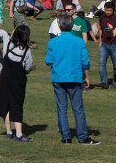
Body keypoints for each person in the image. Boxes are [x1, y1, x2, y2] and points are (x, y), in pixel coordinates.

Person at [45, 14, 98, 145]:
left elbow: (48, 61)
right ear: (72, 25)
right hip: (74, 77)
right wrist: (87, 76)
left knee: (62, 108)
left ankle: (66, 137)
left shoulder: (53, 42)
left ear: (60, 26)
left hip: (58, 77)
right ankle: (83, 137)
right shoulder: (79, 42)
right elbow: (85, 61)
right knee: (78, 108)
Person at [0, 24, 34, 142]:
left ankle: (9, 131)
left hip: (5, 79)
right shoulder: (27, 51)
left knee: (6, 104)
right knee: (17, 105)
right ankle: (19, 134)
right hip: (18, 82)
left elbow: (4, 34)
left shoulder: (8, 43)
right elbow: (28, 67)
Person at [97, 1, 116, 88]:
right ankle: (104, 82)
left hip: (115, 44)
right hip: (104, 44)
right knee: (101, 63)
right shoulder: (101, 18)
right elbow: (100, 29)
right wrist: (100, 41)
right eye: (106, 10)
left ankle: (115, 82)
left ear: (113, 10)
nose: (107, 12)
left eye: (109, 10)